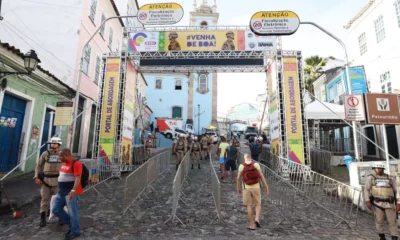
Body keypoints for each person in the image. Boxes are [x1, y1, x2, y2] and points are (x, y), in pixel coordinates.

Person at [52, 148, 83, 240]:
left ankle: (75, 231)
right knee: (55, 209)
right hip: (61, 192)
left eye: (60, 155)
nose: (59, 157)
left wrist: (73, 191)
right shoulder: (64, 163)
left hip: (70, 192)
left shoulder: (76, 164)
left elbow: (78, 179)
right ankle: (72, 224)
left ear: (66, 155)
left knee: (73, 212)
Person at [364, 162, 400, 240]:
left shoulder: (390, 178)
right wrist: (367, 201)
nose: (377, 169)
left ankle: (394, 236)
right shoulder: (371, 178)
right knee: (379, 221)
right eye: (376, 168)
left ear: (383, 169)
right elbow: (366, 189)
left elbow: (396, 191)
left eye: (379, 168)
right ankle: (381, 236)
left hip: (389, 203)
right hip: (377, 204)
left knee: (392, 221)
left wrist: (398, 203)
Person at [34, 137, 63, 227]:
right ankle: (43, 218)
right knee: (44, 199)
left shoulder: (62, 154)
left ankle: (61, 217)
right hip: (46, 180)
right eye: (52, 143)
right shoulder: (45, 154)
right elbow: (39, 166)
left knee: (59, 200)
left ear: (59, 144)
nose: (52, 145)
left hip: (58, 180)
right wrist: (36, 177)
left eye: (54, 143)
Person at [237, 153, 269, 230]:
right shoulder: (256, 165)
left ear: (244, 158)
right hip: (256, 187)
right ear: (250, 158)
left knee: (249, 205)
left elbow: (238, 178)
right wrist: (266, 186)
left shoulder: (241, 166)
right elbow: (261, 176)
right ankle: (257, 219)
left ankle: (252, 225)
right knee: (258, 204)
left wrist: (238, 188)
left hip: (246, 188)